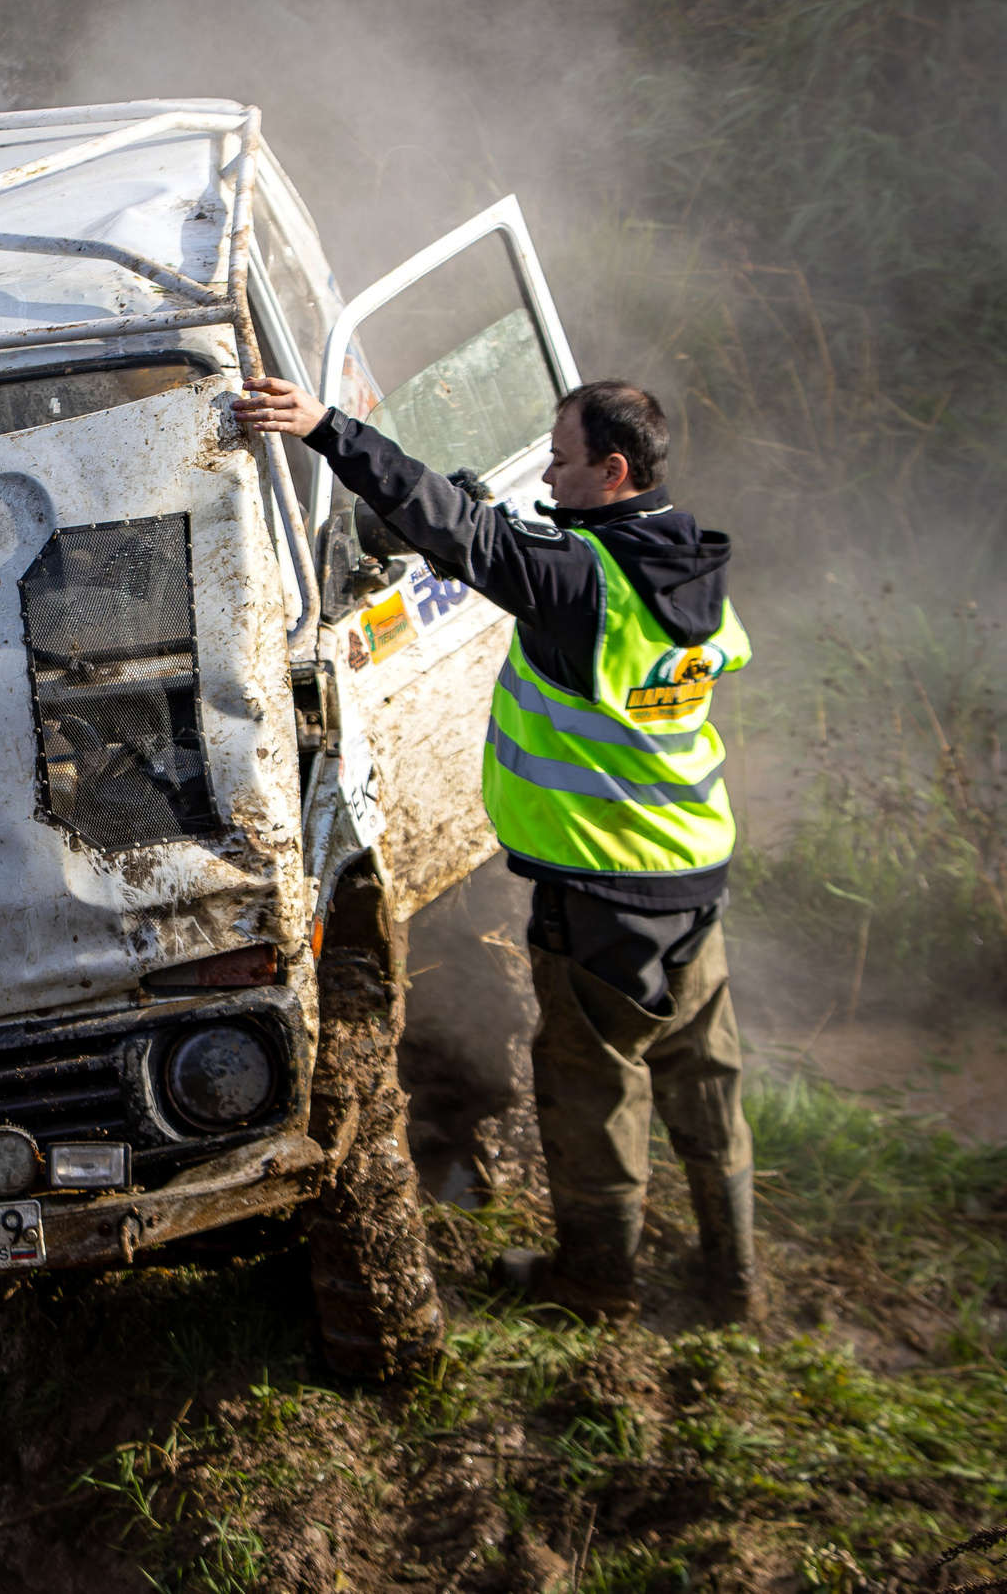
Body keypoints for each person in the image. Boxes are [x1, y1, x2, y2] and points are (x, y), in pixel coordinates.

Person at [236, 374, 759, 1325]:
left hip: (606, 889)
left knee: (592, 1086)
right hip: (696, 865)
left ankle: (596, 1282)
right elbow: (532, 546)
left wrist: (324, 427)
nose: (547, 476)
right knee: (704, 1076)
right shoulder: (692, 559)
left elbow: (455, 531)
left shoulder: (576, 582)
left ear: (612, 469)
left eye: (559, 460)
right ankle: (734, 1279)